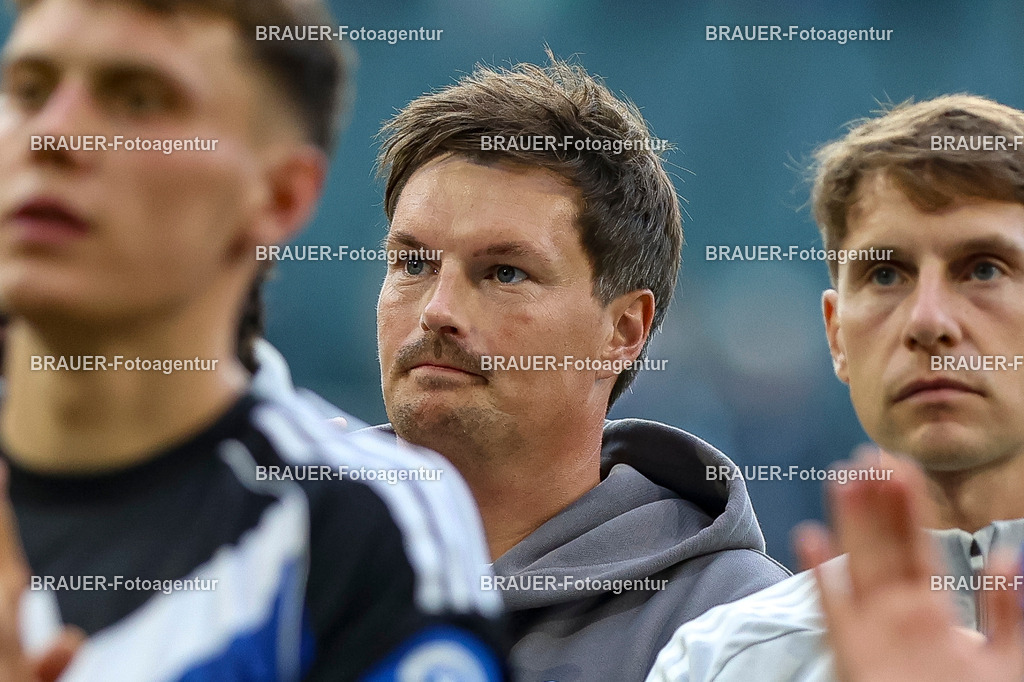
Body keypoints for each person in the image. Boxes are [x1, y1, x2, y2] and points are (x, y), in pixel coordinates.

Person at [0, 0, 505, 679]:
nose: (53, 134)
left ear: (279, 198)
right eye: (29, 89)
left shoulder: (363, 529)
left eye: (139, 99)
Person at [368, 54, 790, 682]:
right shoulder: (263, 557)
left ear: (623, 332)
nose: (437, 311)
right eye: (414, 264)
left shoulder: (740, 628)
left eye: (505, 272)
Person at [647, 93, 1024, 681]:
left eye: (983, 269)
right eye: (885, 273)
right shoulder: (724, 660)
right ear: (837, 336)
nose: (927, 321)